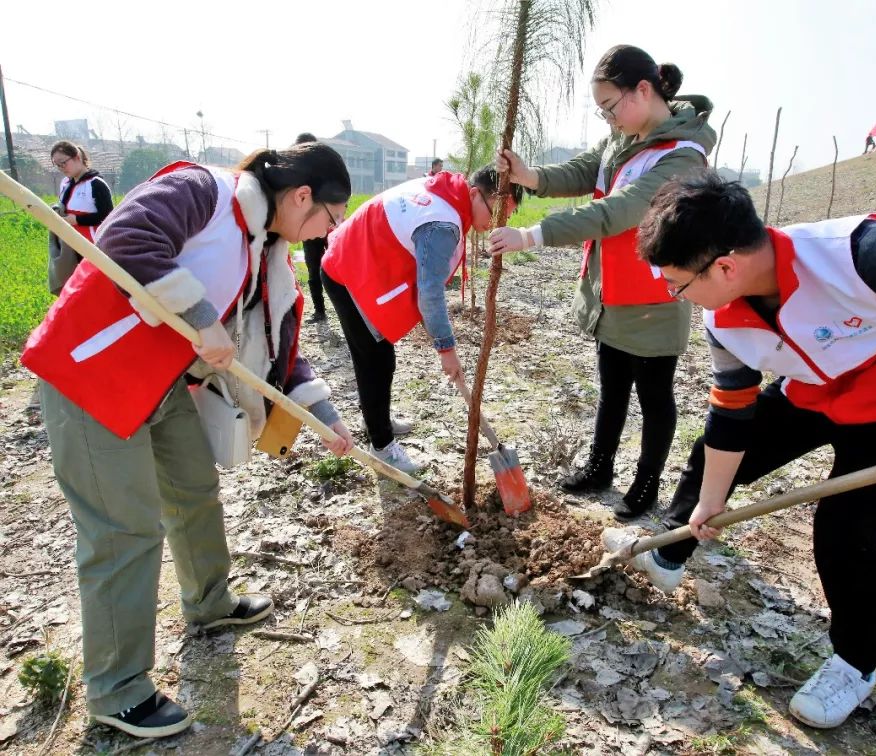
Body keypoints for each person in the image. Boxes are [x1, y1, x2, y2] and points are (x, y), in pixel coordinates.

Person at [606, 171, 876, 729]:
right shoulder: (725, 317)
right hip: (814, 390)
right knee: (708, 462)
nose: (676, 296)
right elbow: (732, 416)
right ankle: (669, 551)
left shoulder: (869, 255)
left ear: (724, 266)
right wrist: (712, 501)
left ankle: (856, 664)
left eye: (677, 284)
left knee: (844, 532)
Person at [27, 142, 355, 739]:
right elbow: (125, 240)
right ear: (303, 197)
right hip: (90, 369)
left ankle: (209, 602)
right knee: (123, 528)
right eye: (328, 220)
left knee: (193, 489)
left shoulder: (265, 249)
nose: (324, 234)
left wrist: (325, 418)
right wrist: (203, 317)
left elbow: (277, 345)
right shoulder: (205, 191)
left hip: (161, 379)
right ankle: (117, 689)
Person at [488, 44, 717, 521]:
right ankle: (600, 467)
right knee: (612, 387)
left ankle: (647, 484)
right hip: (611, 289)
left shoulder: (682, 155)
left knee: (655, 395)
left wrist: (533, 235)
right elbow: (580, 170)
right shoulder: (622, 139)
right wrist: (529, 174)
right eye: (602, 112)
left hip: (655, 294)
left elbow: (621, 211)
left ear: (644, 90)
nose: (609, 119)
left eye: (611, 107)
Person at [320, 165, 522, 473]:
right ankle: (382, 445)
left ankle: (380, 419)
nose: (500, 224)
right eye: (497, 213)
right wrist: (447, 350)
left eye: (507, 217)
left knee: (379, 353)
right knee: (374, 358)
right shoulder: (443, 224)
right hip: (348, 269)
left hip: (360, 258)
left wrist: (442, 342)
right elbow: (429, 294)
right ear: (474, 194)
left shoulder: (446, 191)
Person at [51, 140, 113, 243]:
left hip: (94, 246)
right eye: (57, 165)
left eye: (63, 163)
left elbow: (107, 216)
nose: (61, 168)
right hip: (70, 246)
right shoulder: (65, 184)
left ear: (77, 157)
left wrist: (77, 220)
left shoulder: (96, 184)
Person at [295, 132, 328, 322]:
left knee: (334, 269)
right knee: (314, 270)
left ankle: (343, 309)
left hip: (328, 225)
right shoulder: (297, 172)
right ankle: (320, 311)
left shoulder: (325, 168)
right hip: (310, 227)